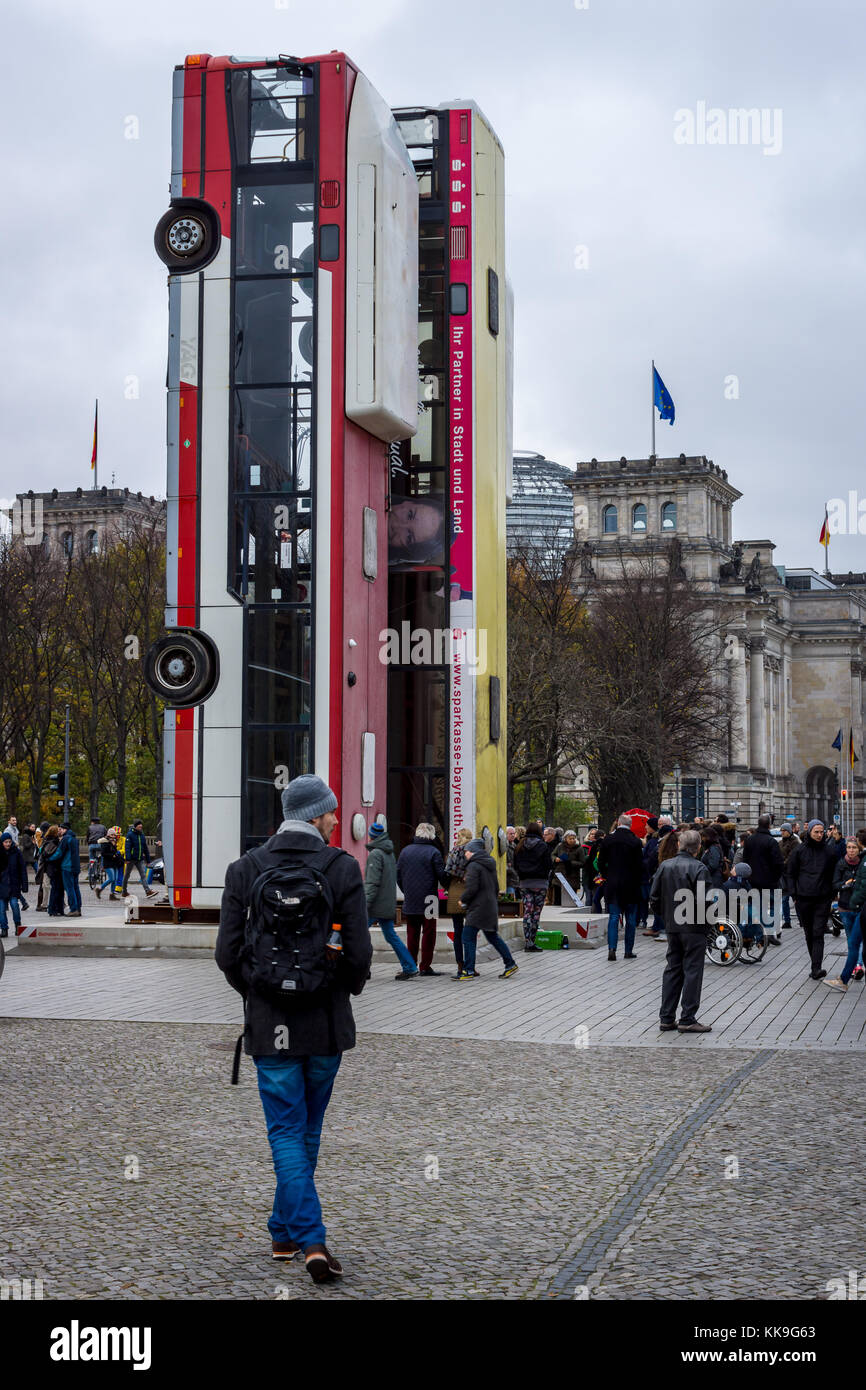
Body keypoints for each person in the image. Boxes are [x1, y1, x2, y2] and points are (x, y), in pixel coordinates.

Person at [215, 773, 372, 1285]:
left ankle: (283, 1230)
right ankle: (312, 1240)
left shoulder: (245, 868)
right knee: (305, 1129)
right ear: (316, 815)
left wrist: (258, 991)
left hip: (270, 1023)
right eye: (331, 812)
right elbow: (360, 954)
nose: (335, 819)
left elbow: (226, 954)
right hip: (325, 1023)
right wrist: (339, 988)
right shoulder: (342, 868)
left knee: (287, 1128)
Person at [651, 829, 713, 1033]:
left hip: (673, 925)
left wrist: (666, 916)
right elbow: (706, 901)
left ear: (679, 845)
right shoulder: (699, 868)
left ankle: (667, 1017)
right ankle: (687, 1018)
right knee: (693, 971)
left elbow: (655, 897)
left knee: (672, 969)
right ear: (698, 847)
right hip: (694, 927)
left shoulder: (665, 866)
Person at [456, 838, 518, 980]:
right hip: (489, 905)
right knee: (492, 936)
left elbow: (472, 888)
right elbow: (496, 887)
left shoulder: (473, 866)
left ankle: (468, 970)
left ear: (473, 852)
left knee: (468, 937)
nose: (465, 854)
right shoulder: (489, 864)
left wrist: (462, 899)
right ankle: (510, 964)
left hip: (478, 907)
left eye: (467, 851)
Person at [364, 822, 417, 980]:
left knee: (359, 934)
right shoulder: (389, 852)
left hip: (375, 904)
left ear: (371, 835)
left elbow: (372, 883)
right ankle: (410, 966)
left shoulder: (375, 854)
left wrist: (364, 903)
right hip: (387, 903)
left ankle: (363, 968)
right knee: (391, 936)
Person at [786, 820, 837, 980]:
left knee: (818, 933)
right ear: (810, 832)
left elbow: (834, 873)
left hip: (822, 897)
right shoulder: (799, 850)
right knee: (809, 933)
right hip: (803, 898)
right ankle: (814, 964)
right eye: (816, 832)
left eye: (822, 832)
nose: (819, 835)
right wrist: (794, 895)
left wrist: (833, 892)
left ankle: (816, 968)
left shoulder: (829, 851)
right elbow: (791, 873)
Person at [395, 823, 446, 976]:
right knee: (429, 932)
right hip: (430, 898)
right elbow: (441, 875)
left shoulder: (405, 851)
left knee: (412, 932)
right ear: (430, 835)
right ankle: (425, 966)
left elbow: (398, 876)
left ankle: (411, 964)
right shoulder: (434, 852)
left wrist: (407, 891)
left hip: (411, 898)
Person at [598, 814, 644, 961]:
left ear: (618, 823)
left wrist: (606, 875)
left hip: (613, 883)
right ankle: (628, 951)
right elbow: (640, 865)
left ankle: (612, 949)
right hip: (631, 884)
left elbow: (600, 862)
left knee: (613, 917)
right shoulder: (635, 841)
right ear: (630, 825)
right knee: (630, 919)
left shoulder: (608, 840)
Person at [824, 838, 865, 992]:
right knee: (851, 939)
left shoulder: (863, 863)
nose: (851, 850)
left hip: (860, 908)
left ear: (858, 849)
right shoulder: (841, 864)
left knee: (857, 940)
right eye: (848, 847)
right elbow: (835, 884)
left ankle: (858, 967)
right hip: (845, 907)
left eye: (854, 847)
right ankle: (855, 967)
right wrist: (845, 885)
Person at [740, 813, 784, 947]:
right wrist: (776, 877)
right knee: (772, 908)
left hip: (753, 881)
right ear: (769, 825)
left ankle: (760, 933)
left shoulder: (750, 840)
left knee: (757, 907)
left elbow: (745, 860)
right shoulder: (771, 842)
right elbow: (778, 863)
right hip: (769, 881)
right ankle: (769, 933)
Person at [513, 821, 552, 952]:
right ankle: (533, 941)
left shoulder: (519, 845)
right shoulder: (543, 846)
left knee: (527, 911)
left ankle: (527, 940)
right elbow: (548, 864)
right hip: (540, 883)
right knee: (536, 913)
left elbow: (515, 864)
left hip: (525, 883)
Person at [444, 827, 474, 978]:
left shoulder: (453, 851)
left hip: (456, 891)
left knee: (458, 930)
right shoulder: (473, 852)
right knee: (471, 931)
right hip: (470, 891)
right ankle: (470, 966)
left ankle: (460, 964)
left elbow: (447, 871)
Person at [0, 832, 28, 937]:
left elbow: (22, 870)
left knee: (15, 906)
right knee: (1, 910)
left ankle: (17, 925)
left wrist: (24, 885)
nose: (7, 844)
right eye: (5, 842)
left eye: (9, 842)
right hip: (1, 886)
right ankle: (4, 929)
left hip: (13, 885)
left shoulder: (16, 852)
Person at [122, 819, 157, 898]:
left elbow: (145, 848)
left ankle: (148, 891)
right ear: (135, 826)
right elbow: (127, 847)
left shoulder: (142, 835)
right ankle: (124, 891)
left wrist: (148, 860)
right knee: (127, 875)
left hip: (140, 859)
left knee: (143, 875)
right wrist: (127, 859)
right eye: (139, 826)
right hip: (131, 859)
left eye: (141, 826)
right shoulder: (130, 835)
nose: (141, 827)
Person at [53, 823, 82, 917]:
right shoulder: (74, 838)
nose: (59, 831)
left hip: (67, 867)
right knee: (76, 888)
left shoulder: (66, 838)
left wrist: (48, 858)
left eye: (60, 829)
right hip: (76, 867)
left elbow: (59, 853)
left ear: (65, 829)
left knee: (70, 888)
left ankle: (73, 909)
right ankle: (78, 908)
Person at [41, 825, 65, 916]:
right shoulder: (52, 841)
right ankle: (53, 909)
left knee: (57, 889)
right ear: (55, 832)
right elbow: (46, 854)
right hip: (54, 868)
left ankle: (56, 909)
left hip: (52, 868)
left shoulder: (49, 840)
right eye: (58, 830)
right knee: (56, 889)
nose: (60, 831)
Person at [95, 828, 124, 901]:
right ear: (108, 834)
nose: (113, 836)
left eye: (114, 834)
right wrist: (112, 855)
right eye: (112, 834)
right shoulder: (105, 842)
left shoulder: (113, 841)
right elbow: (103, 853)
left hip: (115, 863)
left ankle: (112, 895)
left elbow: (115, 851)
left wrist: (114, 848)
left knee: (115, 879)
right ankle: (99, 889)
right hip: (108, 863)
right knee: (111, 878)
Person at [778, 824, 798, 927]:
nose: (782, 832)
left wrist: (784, 863)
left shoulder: (795, 842)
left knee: (796, 898)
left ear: (789, 831)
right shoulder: (780, 843)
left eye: (784, 830)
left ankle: (802, 919)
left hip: (793, 873)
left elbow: (793, 856)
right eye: (781, 831)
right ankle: (787, 921)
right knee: (784, 898)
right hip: (783, 874)